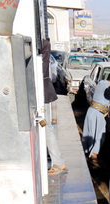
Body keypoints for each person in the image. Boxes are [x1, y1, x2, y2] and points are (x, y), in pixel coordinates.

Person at [82, 71, 110, 166]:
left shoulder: (101, 83)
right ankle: (94, 157)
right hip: (97, 113)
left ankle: (87, 155)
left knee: (90, 133)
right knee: (99, 136)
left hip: (92, 112)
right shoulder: (108, 86)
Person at [41, 38, 67, 174]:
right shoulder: (43, 45)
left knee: (46, 128)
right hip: (43, 92)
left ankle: (58, 162)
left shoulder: (42, 45)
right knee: (46, 128)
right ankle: (58, 161)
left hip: (42, 93)